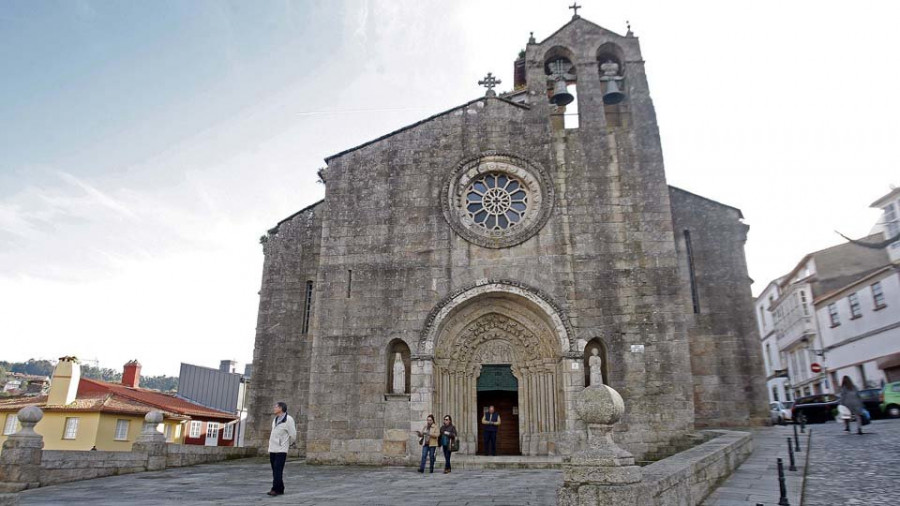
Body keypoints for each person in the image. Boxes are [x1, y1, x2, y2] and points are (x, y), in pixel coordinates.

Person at [267, 401, 296, 496]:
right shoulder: (275, 419)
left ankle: (275, 489)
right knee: (275, 470)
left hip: (281, 450)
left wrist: (287, 444)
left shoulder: (288, 419)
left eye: (276, 407)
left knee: (278, 470)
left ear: (281, 408)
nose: (274, 408)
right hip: (272, 449)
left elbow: (293, 434)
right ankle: (281, 488)